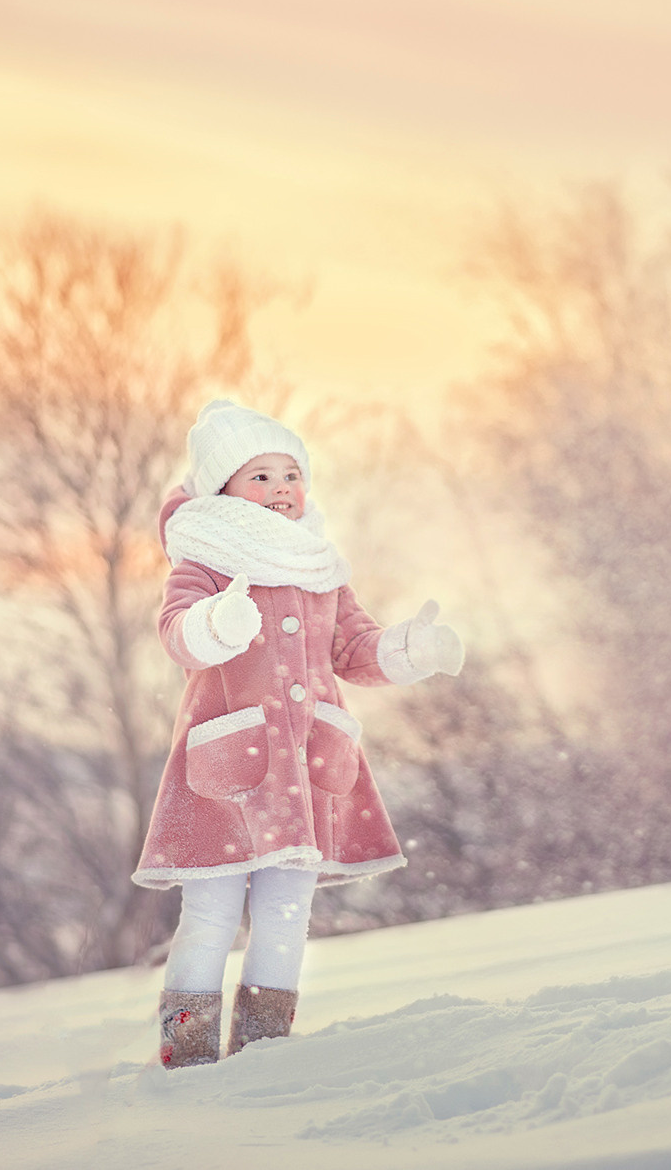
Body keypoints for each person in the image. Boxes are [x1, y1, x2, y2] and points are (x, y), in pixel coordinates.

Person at [134, 400, 465, 1068]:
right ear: (222, 484)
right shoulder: (204, 554)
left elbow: (353, 648)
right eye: (261, 475)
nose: (282, 486)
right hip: (229, 772)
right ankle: (188, 1055)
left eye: (292, 472)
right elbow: (178, 631)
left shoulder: (320, 565)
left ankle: (262, 1053)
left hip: (307, 770)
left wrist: (409, 647)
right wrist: (214, 625)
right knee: (212, 914)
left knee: (287, 914)